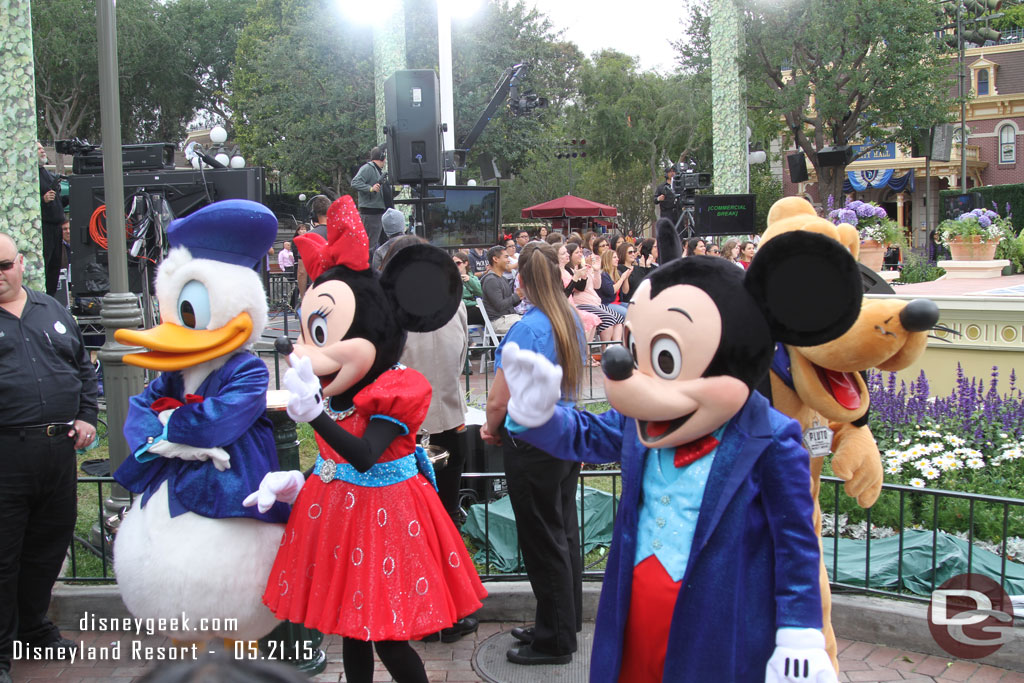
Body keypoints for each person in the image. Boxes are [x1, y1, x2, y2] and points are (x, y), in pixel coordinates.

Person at [480, 241, 585, 666]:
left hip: (534, 444)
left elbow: (497, 400)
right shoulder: (570, 318)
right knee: (563, 532)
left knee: (543, 539)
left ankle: (555, 640)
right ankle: (561, 620)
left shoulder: (525, 329)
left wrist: (490, 427)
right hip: (566, 435)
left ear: (521, 280)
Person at [0, 232, 98, 683]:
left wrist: (86, 415)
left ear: (21, 263)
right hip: (7, 453)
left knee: (47, 546)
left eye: (4, 266)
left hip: (58, 451)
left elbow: (81, 367)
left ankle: (33, 626)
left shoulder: (52, 310)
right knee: (4, 556)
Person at [563, 243, 623, 345]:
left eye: (581, 252)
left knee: (619, 318)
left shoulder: (582, 268)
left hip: (595, 302)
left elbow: (597, 286)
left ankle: (616, 349)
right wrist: (584, 273)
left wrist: (595, 270)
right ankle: (606, 353)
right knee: (609, 320)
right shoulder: (570, 271)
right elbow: (581, 288)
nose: (581, 254)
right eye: (577, 252)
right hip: (582, 303)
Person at [38, 142, 66, 297]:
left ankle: (51, 297)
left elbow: (59, 201)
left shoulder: (48, 175)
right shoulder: (32, 176)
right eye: (39, 149)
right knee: (47, 265)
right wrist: (43, 199)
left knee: (55, 266)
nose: (42, 150)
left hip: (56, 227)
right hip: (45, 227)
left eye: (43, 148)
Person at [349, 145, 388, 253]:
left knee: (376, 245)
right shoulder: (368, 168)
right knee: (370, 246)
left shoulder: (377, 170)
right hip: (371, 214)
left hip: (378, 213)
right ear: (382, 157)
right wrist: (370, 189)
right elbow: (355, 182)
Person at [480, 245, 523, 333]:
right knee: (529, 326)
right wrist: (516, 296)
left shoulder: (502, 279)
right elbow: (500, 306)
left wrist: (520, 297)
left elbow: (508, 304)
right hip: (498, 321)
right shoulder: (491, 280)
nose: (508, 260)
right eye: (506, 257)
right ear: (495, 259)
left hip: (508, 318)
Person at [371, 208, 408, 272]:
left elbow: (377, 277)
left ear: (384, 227)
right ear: (402, 224)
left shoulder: (380, 252)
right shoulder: (418, 244)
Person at [597, 248, 631, 319]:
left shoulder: (618, 273)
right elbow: (611, 291)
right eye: (614, 257)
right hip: (607, 304)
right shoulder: (603, 275)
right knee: (627, 313)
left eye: (617, 257)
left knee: (636, 308)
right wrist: (622, 279)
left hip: (618, 303)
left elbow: (625, 291)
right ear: (608, 259)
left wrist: (626, 278)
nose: (617, 259)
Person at [454, 251, 484, 325]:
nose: (455, 266)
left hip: (473, 307)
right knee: (485, 313)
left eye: (458, 263)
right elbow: (457, 301)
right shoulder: (450, 279)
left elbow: (481, 292)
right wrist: (476, 303)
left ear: (465, 263)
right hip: (461, 310)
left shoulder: (472, 277)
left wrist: (470, 280)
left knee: (490, 312)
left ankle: (495, 334)